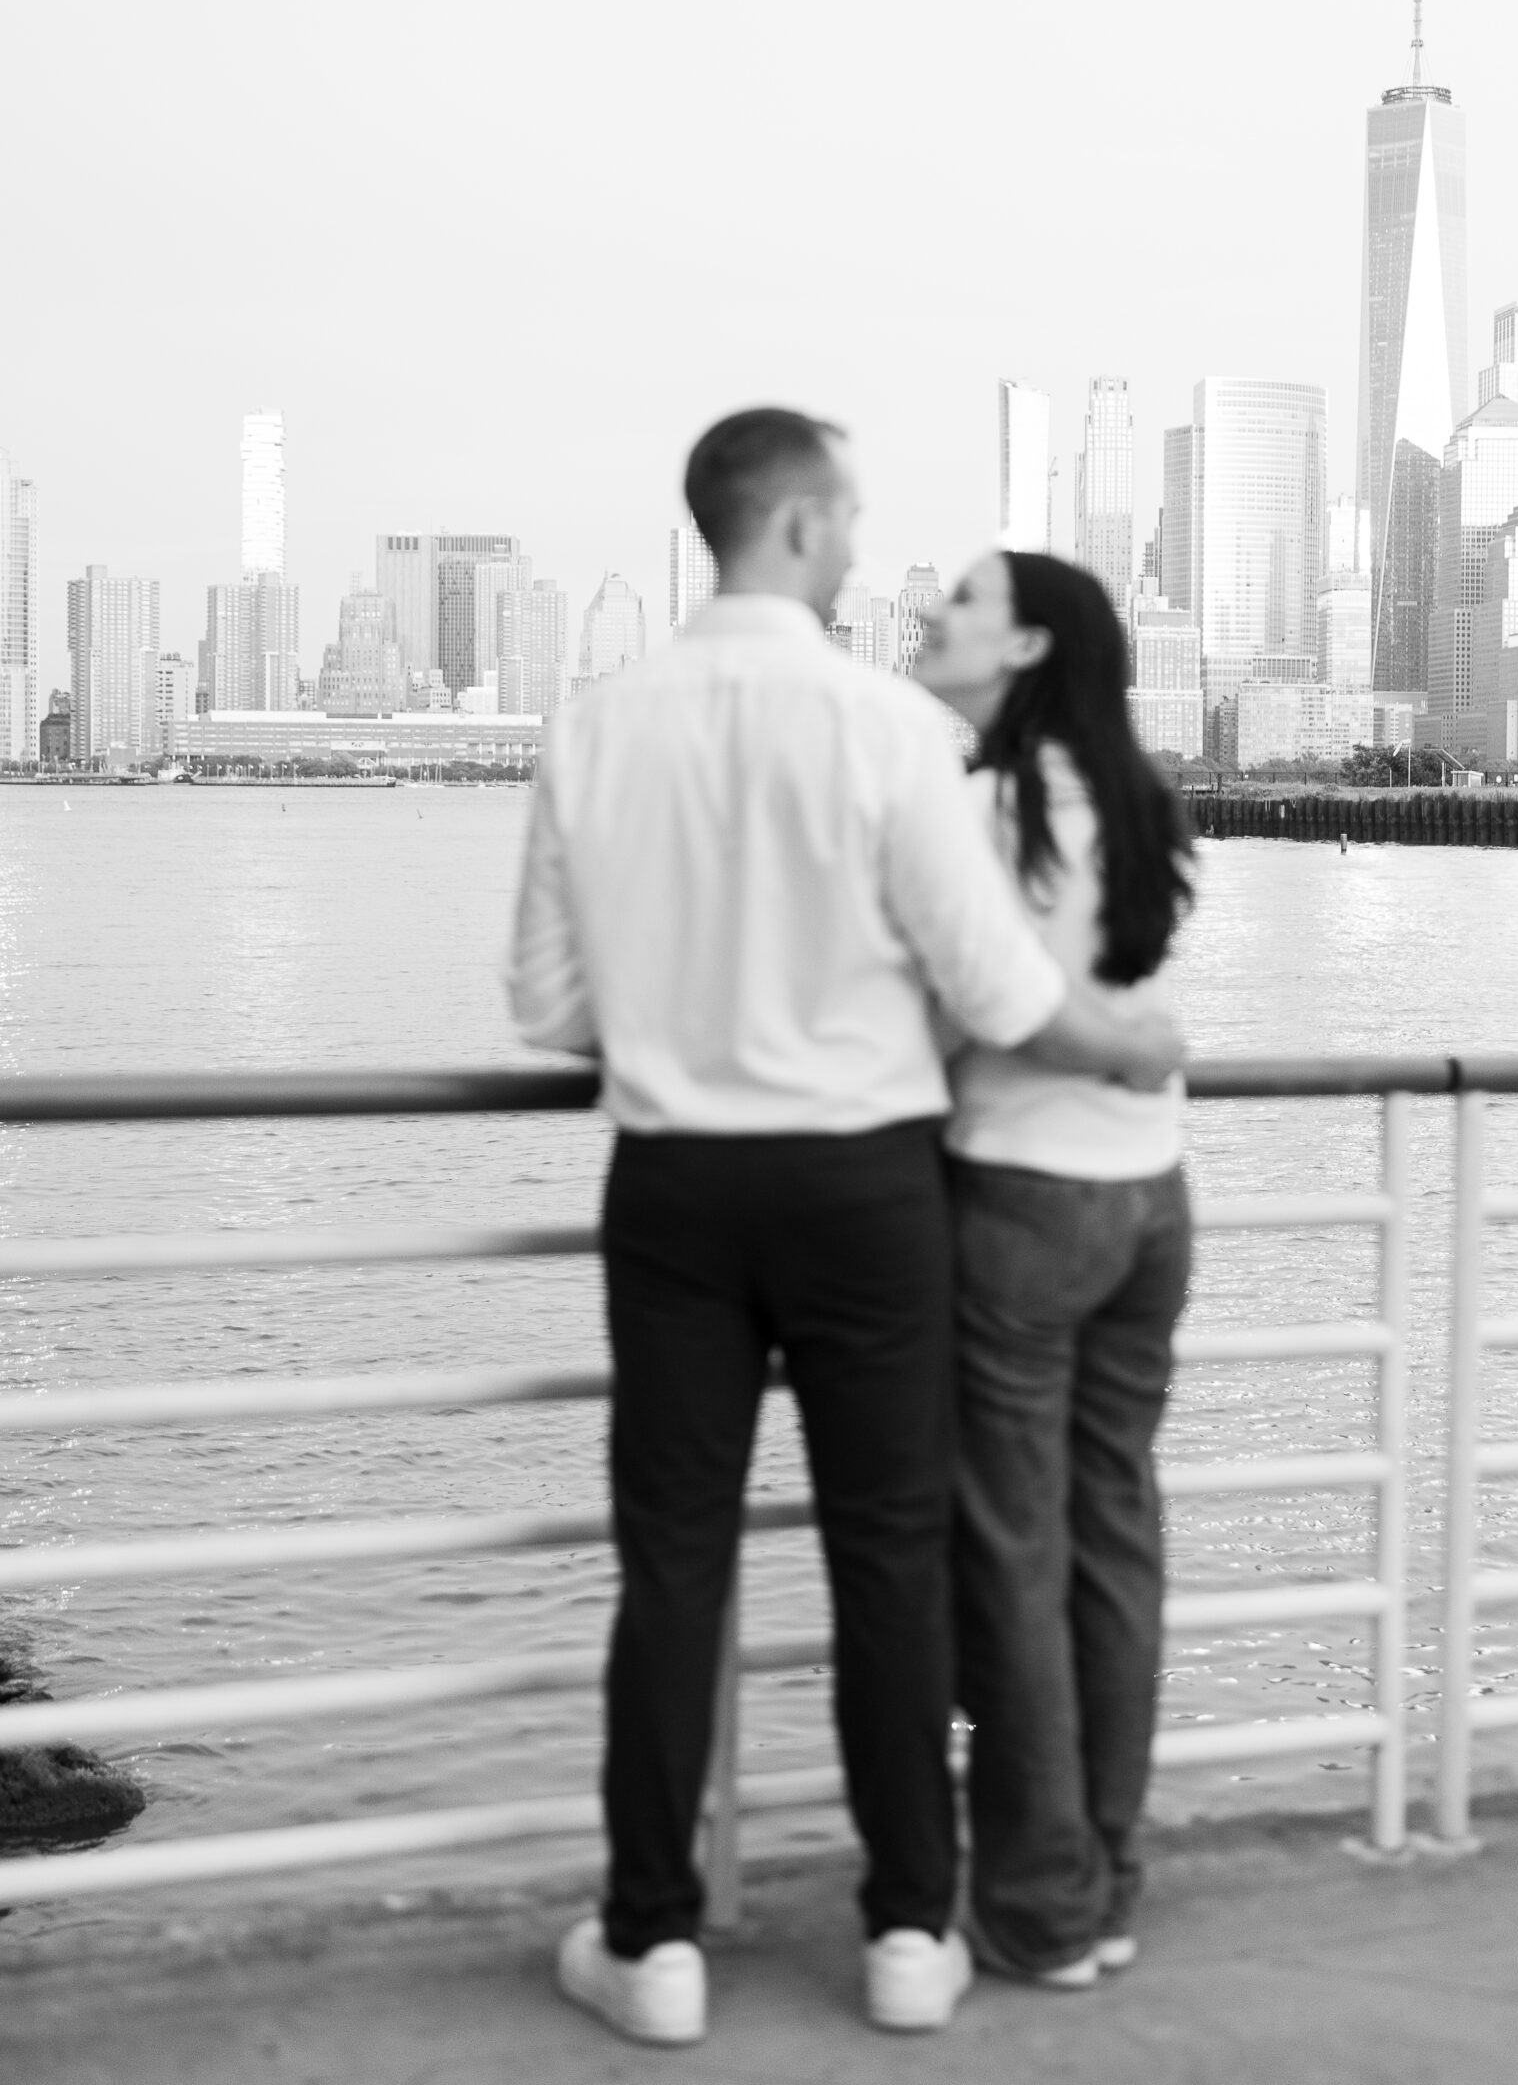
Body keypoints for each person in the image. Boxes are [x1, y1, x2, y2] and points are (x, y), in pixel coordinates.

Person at [506, 411, 1181, 2048]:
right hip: (872, 1187)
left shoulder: (595, 726)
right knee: (893, 1555)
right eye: (855, 519)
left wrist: (692, 1013)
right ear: (798, 529)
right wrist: (1131, 1043)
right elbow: (997, 985)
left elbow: (542, 1007)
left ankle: (655, 1944)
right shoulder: (892, 735)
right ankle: (903, 1930)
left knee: (673, 1566)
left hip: (675, 1185)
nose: (867, 550)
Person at [912, 548, 1194, 1988]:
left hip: (1021, 1199)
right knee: (1113, 1540)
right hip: (1149, 1199)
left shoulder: (976, 808)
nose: (930, 617)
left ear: (1023, 647)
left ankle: (1035, 1908)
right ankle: (1111, 1878)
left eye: (958, 602)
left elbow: (979, 1014)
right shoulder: (1135, 796)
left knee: (1014, 1556)